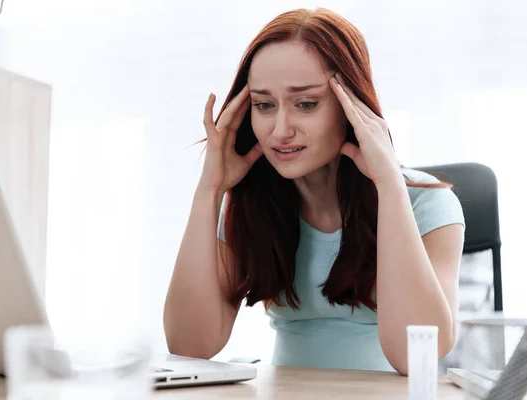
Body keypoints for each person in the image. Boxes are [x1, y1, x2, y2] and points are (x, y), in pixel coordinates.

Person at [163, 7, 465, 375]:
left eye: (306, 104)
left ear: (351, 105)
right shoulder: (252, 206)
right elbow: (189, 346)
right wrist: (208, 190)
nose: (280, 130)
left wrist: (388, 186)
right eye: (264, 105)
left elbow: (415, 356)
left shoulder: (428, 203)